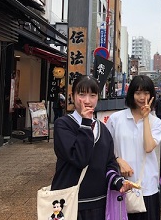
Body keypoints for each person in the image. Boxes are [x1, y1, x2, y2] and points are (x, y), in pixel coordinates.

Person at [51, 75, 133, 219]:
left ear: (98, 98)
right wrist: (86, 123)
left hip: (98, 203)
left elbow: (109, 163)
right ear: (73, 96)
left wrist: (118, 181)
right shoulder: (62, 125)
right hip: (69, 201)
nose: (87, 101)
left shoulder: (103, 129)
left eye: (92, 95)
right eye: (81, 94)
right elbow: (79, 159)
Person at [106, 75, 161, 220]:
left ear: (152, 95)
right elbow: (105, 149)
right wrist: (118, 160)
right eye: (138, 93)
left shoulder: (155, 122)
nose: (142, 97)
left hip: (147, 186)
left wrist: (145, 119)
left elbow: (149, 147)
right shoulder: (116, 119)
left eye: (146, 93)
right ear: (131, 94)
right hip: (122, 184)